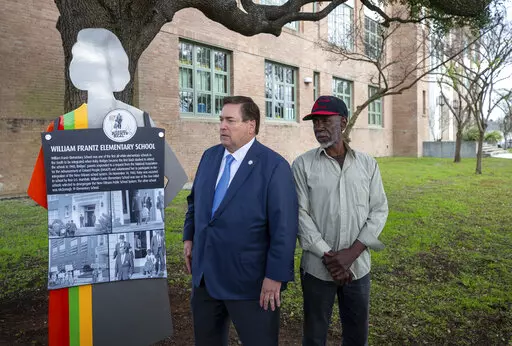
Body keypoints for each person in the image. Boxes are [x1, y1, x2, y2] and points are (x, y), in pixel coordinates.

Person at [183, 96, 298, 346]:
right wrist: (189, 236)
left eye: (230, 120)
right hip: (205, 279)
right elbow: (195, 202)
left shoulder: (274, 166)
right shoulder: (209, 156)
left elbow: (285, 228)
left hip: (251, 284)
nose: (222, 126)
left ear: (251, 125)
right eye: (221, 119)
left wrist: (275, 276)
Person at [292, 96, 389, 346]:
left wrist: (352, 254)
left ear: (343, 122)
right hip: (317, 269)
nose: (319, 127)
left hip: (358, 269)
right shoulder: (302, 165)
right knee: (314, 336)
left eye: (325, 120)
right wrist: (331, 258)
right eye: (315, 122)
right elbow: (299, 215)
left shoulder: (367, 164)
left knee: (357, 335)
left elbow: (379, 210)